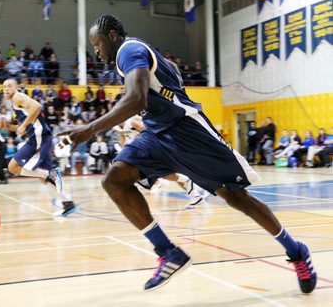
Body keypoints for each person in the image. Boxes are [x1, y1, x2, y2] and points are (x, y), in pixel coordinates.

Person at [57, 15, 316, 293]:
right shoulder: (136, 51)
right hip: (158, 134)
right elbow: (165, 76)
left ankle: (296, 250)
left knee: (236, 198)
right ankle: (168, 252)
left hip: (188, 133)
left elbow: (136, 99)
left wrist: (88, 130)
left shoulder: (127, 50)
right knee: (115, 179)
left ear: (111, 35)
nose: (96, 51)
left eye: (97, 43)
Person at [1, 79, 77, 217]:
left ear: (16, 87)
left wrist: (23, 125)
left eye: (9, 86)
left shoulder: (18, 97)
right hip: (38, 137)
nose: (6, 89)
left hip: (38, 137)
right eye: (4, 87)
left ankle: (51, 174)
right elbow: (22, 129)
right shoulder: (15, 104)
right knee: (43, 178)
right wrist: (8, 127)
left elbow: (37, 106)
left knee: (13, 167)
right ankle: (68, 203)